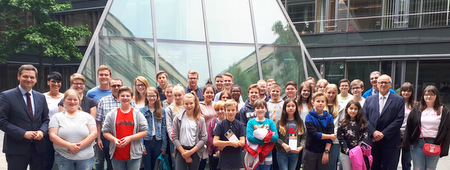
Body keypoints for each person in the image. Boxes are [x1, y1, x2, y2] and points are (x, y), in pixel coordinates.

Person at [0, 64, 49, 170]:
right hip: (16, 147)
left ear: (36, 79)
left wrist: (42, 131)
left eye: (32, 77)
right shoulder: (6, 96)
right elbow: (2, 121)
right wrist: (23, 134)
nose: (29, 79)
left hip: (38, 148)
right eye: (25, 76)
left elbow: (46, 120)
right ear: (18, 77)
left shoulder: (41, 97)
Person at [402, 85, 450, 170]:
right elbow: (409, 127)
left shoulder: (443, 110)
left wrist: (444, 147)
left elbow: (447, 130)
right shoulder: (417, 109)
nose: (428, 97)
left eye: (431, 94)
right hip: (418, 143)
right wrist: (406, 144)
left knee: (430, 168)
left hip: (435, 143)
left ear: (436, 96)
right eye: (426, 94)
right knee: (418, 167)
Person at [49, 89, 97, 170]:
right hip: (64, 156)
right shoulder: (56, 117)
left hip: (85, 157)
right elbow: (52, 135)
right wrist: (69, 146)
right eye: (69, 99)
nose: (72, 102)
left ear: (79, 101)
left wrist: (79, 146)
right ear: (64, 100)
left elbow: (94, 133)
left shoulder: (87, 116)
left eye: (75, 99)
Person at [363, 74, 404, 170]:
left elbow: (399, 119)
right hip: (372, 141)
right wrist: (374, 132)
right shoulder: (369, 100)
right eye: (381, 82)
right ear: (377, 84)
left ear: (391, 84)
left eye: (386, 82)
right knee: (373, 167)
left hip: (390, 141)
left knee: (389, 167)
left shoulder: (399, 100)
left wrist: (383, 134)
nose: (383, 85)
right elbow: (364, 118)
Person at [102, 86, 148, 170]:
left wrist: (130, 138)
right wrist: (114, 140)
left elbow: (144, 131)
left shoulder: (138, 114)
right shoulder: (111, 114)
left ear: (132, 98)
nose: (125, 98)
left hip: (134, 155)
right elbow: (105, 132)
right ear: (118, 97)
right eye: (122, 96)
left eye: (127, 96)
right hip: (117, 154)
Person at [96, 78, 136, 170]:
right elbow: (98, 121)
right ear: (110, 87)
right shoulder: (103, 101)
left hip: (126, 138)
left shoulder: (130, 101)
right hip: (108, 138)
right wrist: (98, 138)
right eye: (113, 85)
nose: (116, 87)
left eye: (119, 85)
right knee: (110, 164)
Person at [172, 92, 208, 170]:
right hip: (181, 150)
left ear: (195, 103)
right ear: (183, 104)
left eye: (191, 103)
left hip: (195, 151)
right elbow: (174, 137)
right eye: (186, 104)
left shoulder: (200, 119)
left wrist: (190, 152)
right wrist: (184, 153)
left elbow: (204, 138)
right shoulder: (177, 118)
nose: (189, 106)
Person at [303, 92, 336, 170]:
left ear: (326, 103)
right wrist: (330, 136)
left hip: (323, 151)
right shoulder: (309, 116)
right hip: (310, 151)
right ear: (313, 102)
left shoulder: (329, 117)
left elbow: (330, 137)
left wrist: (326, 151)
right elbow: (314, 134)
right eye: (318, 101)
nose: (320, 103)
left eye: (322, 101)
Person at [246, 99, 279, 170]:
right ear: (254, 110)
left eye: (262, 108)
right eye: (257, 108)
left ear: (266, 109)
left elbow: (276, 137)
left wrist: (257, 137)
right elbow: (250, 138)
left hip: (267, 154)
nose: (260, 110)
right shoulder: (251, 122)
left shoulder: (270, 122)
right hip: (254, 154)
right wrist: (266, 139)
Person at [213, 100, 246, 170]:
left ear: (237, 110)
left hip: (236, 159)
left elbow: (242, 142)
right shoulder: (220, 125)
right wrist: (231, 143)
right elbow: (215, 142)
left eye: (233, 110)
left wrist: (223, 144)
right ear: (225, 111)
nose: (230, 112)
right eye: (228, 110)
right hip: (224, 159)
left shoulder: (240, 125)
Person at [140, 87, 167, 170]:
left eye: (154, 95)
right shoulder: (141, 111)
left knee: (157, 165)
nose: (152, 98)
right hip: (146, 141)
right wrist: (142, 146)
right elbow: (140, 129)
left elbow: (163, 129)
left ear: (157, 96)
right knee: (147, 166)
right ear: (146, 97)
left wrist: (164, 146)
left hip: (158, 141)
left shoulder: (162, 111)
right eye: (149, 96)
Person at [337, 100, 368, 170]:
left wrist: (358, 150)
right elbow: (341, 138)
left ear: (358, 110)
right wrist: (347, 151)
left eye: (355, 109)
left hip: (358, 153)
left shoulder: (362, 123)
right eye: (351, 108)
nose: (353, 111)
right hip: (345, 153)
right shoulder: (342, 123)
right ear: (347, 109)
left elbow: (365, 137)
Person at [275, 99, 306, 170]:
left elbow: (304, 137)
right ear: (285, 108)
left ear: (296, 108)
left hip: (294, 152)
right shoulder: (280, 121)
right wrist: (283, 144)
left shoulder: (300, 122)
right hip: (282, 152)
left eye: (293, 106)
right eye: (288, 106)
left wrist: (301, 147)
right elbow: (275, 137)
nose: (291, 108)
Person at [43, 71, 64, 170]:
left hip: (63, 133)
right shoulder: (42, 97)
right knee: (47, 160)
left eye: (58, 82)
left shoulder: (66, 97)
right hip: (47, 133)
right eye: (53, 81)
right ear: (48, 82)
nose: (56, 84)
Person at [324, 84, 344, 170]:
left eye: (333, 93)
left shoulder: (340, 107)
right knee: (323, 163)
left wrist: (333, 135)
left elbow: (341, 123)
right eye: (329, 92)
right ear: (325, 93)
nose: (331, 95)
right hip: (322, 138)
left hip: (335, 140)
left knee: (332, 163)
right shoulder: (320, 104)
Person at [294, 82, 313, 170]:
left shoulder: (312, 104)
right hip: (297, 133)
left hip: (309, 133)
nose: (306, 93)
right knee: (296, 158)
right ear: (300, 91)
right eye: (304, 90)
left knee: (307, 159)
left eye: (308, 91)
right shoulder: (295, 103)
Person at [199, 85, 217, 170]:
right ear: (203, 94)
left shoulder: (216, 105)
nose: (209, 94)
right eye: (207, 92)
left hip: (216, 137)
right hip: (204, 137)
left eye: (211, 92)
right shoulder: (199, 106)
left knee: (214, 163)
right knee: (202, 162)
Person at [399, 82, 415, 170]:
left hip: (408, 135)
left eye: (409, 91)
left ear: (412, 92)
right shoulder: (396, 103)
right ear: (401, 91)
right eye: (404, 90)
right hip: (396, 134)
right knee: (394, 159)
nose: (406, 93)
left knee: (407, 160)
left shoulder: (415, 105)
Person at [208, 101, 225, 170]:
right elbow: (209, 137)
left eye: (222, 109)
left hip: (227, 152)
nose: (220, 111)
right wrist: (217, 149)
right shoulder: (212, 122)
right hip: (214, 152)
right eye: (217, 110)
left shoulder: (230, 122)